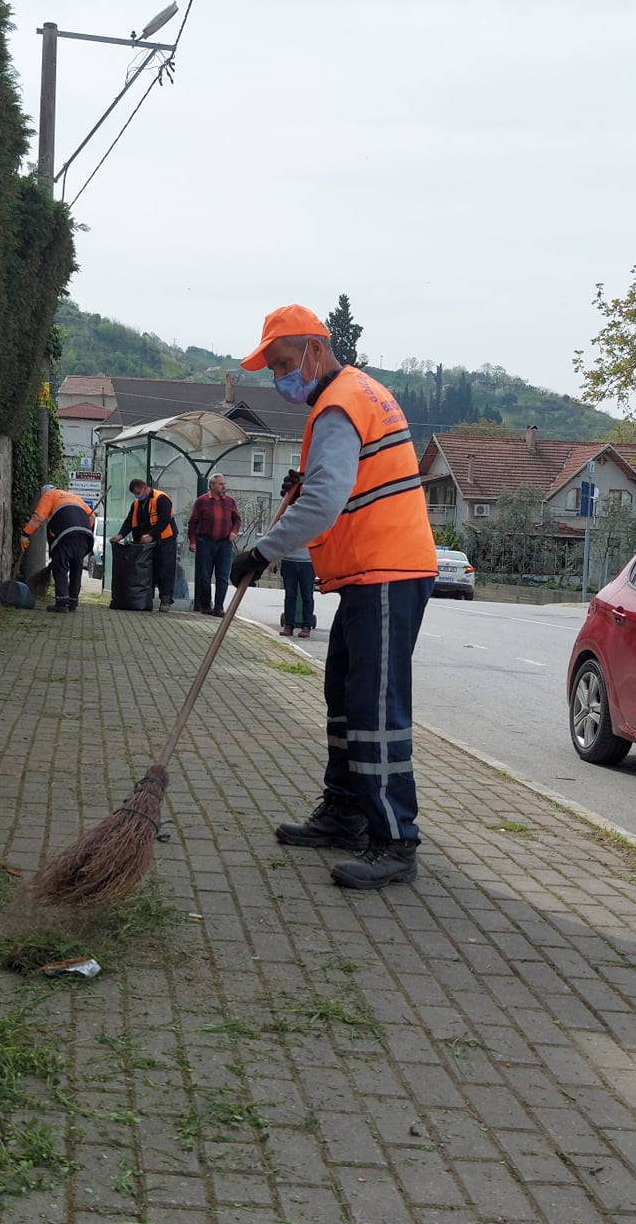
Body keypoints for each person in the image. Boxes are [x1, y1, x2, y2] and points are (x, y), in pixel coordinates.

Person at [230, 304, 436, 890]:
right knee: (345, 694)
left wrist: (261, 551)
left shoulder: (341, 403)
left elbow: (324, 501)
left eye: (284, 363)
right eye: (273, 368)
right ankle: (346, 811)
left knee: (374, 708)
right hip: (369, 575)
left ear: (316, 350)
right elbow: (335, 491)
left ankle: (395, 839)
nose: (279, 378)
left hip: (388, 572)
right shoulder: (353, 394)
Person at [22, 483, 95, 613]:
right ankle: (72, 602)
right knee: (76, 569)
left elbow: (38, 517)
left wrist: (25, 535)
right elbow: (92, 517)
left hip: (66, 536)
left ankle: (61, 603)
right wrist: (83, 529)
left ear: (44, 493)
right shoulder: (74, 496)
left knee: (60, 568)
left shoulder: (48, 495)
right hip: (84, 536)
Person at [118, 477, 178, 611]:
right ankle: (145, 599)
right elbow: (129, 521)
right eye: (135, 494)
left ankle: (165, 601)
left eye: (138, 492)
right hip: (146, 543)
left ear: (145, 488)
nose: (137, 496)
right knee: (146, 572)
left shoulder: (161, 498)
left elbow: (164, 520)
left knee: (165, 571)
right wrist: (120, 535)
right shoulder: (136, 504)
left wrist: (151, 535)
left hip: (164, 541)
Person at [186, 473, 241, 617]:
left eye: (224, 483)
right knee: (205, 576)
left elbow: (237, 520)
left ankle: (219, 607)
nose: (224, 486)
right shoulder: (202, 501)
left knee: (222, 576)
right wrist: (192, 541)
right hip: (205, 542)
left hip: (224, 544)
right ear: (212, 485)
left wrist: (234, 531)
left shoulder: (229, 502)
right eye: (221, 484)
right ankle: (206, 605)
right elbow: (192, 522)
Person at [275, 468, 317, 638]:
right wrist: (272, 559)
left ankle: (306, 625)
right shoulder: (289, 511)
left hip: (307, 561)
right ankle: (289, 625)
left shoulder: (314, 512)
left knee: (307, 595)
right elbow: (279, 532)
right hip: (290, 560)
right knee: (290, 595)